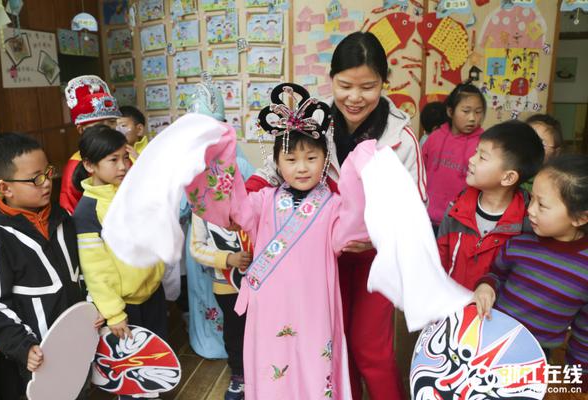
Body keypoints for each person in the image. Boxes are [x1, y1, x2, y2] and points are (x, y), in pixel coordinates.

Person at [100, 86, 470, 400]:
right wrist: (217, 151)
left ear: (326, 160)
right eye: (291, 158)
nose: (302, 166)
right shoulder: (261, 202)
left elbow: (354, 230)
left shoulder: (336, 205)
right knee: (272, 368)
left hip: (314, 310)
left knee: (314, 365)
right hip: (269, 308)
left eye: (312, 157)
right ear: (277, 162)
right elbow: (229, 210)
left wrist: (360, 170)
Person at [244, 32, 426, 399]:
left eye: (368, 87)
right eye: (345, 85)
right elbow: (274, 168)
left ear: (384, 84)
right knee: (329, 342)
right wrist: (245, 199)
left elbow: (416, 208)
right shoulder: (314, 120)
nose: (355, 97)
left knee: (370, 348)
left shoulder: (401, 138)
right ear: (331, 80)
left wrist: (377, 235)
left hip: (376, 260)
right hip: (319, 259)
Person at [0, 133, 96, 396]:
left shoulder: (64, 220)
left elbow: (84, 272)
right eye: (35, 179)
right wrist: (23, 346)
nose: (47, 182)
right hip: (37, 356)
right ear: (5, 188)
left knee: (79, 391)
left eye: (47, 172)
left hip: (78, 343)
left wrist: (94, 305)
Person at [474, 154, 588, 391]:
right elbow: (496, 275)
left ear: (580, 217)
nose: (530, 210)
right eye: (531, 199)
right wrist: (485, 286)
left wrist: (578, 380)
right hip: (487, 345)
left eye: (542, 205)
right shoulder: (520, 244)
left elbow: (584, 333)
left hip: (533, 361)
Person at [72, 126, 166, 347]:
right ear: (89, 165)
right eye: (113, 160)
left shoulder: (130, 192)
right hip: (125, 305)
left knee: (159, 354)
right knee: (135, 368)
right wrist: (114, 313)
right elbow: (95, 269)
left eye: (125, 157)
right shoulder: (87, 211)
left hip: (153, 292)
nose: (123, 166)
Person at [437, 121, 544, 290]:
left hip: (494, 314)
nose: (471, 160)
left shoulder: (527, 223)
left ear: (508, 178)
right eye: (475, 152)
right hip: (451, 306)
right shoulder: (456, 208)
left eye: (482, 157)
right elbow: (439, 259)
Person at [190, 214, 251, 400]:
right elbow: (196, 247)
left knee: (264, 327)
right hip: (225, 283)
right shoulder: (201, 206)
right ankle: (239, 374)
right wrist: (227, 258)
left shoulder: (256, 192)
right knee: (235, 329)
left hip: (261, 277)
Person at [423, 82, 486, 232]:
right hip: (425, 216)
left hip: (459, 220)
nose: (472, 118)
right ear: (450, 112)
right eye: (466, 111)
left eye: (478, 112)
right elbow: (420, 173)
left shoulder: (484, 143)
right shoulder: (435, 137)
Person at [60, 75, 121, 214]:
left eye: (112, 122)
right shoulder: (76, 165)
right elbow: (70, 211)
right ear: (81, 129)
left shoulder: (125, 153)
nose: (107, 129)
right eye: (99, 125)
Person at [521, 113, 563, 192]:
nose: (531, 147)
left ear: (556, 153)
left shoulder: (554, 183)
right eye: (526, 140)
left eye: (541, 143)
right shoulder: (511, 171)